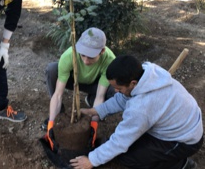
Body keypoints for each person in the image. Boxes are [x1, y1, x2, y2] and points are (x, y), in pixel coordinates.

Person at [70, 55, 203, 169]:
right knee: (127, 145)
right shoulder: (147, 73)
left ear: (133, 83)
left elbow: (120, 141)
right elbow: (121, 99)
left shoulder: (141, 108)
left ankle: (180, 164)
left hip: (183, 140)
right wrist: (95, 111)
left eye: (119, 88)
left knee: (127, 157)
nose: (116, 91)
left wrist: (91, 160)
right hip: (174, 123)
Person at [43, 27, 116, 151]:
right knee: (52, 69)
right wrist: (51, 124)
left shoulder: (109, 60)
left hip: (95, 85)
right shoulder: (69, 56)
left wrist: (93, 125)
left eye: (91, 57)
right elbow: (58, 94)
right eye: (83, 55)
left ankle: (91, 101)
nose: (86, 61)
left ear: (102, 51)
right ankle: (59, 113)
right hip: (73, 81)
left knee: (115, 90)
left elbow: (100, 95)